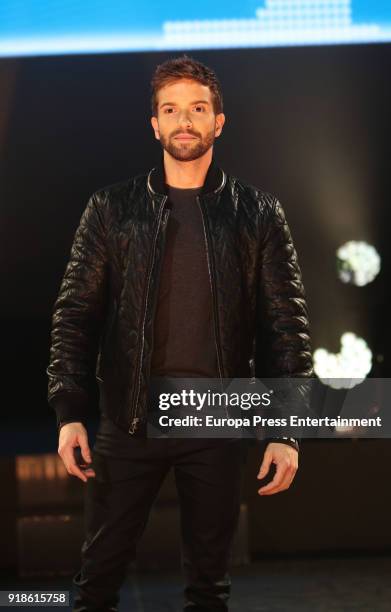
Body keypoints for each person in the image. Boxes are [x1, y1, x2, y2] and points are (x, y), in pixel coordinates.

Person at [46, 54, 313, 612]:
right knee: (95, 582)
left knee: (209, 590)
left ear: (219, 121)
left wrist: (288, 430)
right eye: (170, 109)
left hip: (216, 415)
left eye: (196, 108)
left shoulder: (258, 213)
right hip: (131, 417)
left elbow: (285, 327)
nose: (183, 120)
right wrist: (69, 410)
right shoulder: (112, 209)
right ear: (154, 125)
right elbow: (75, 315)